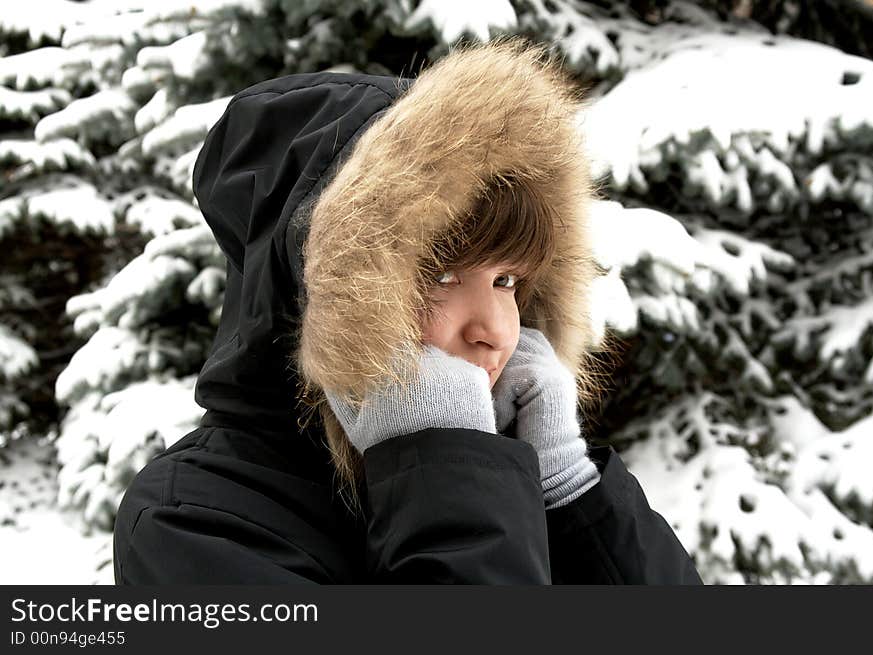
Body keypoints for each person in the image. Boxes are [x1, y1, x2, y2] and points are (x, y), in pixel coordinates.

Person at [112, 36, 703, 584]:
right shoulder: (190, 522)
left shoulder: (525, 486)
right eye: (439, 275)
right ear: (324, 298)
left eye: (506, 280)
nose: (496, 330)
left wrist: (572, 497)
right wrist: (447, 472)